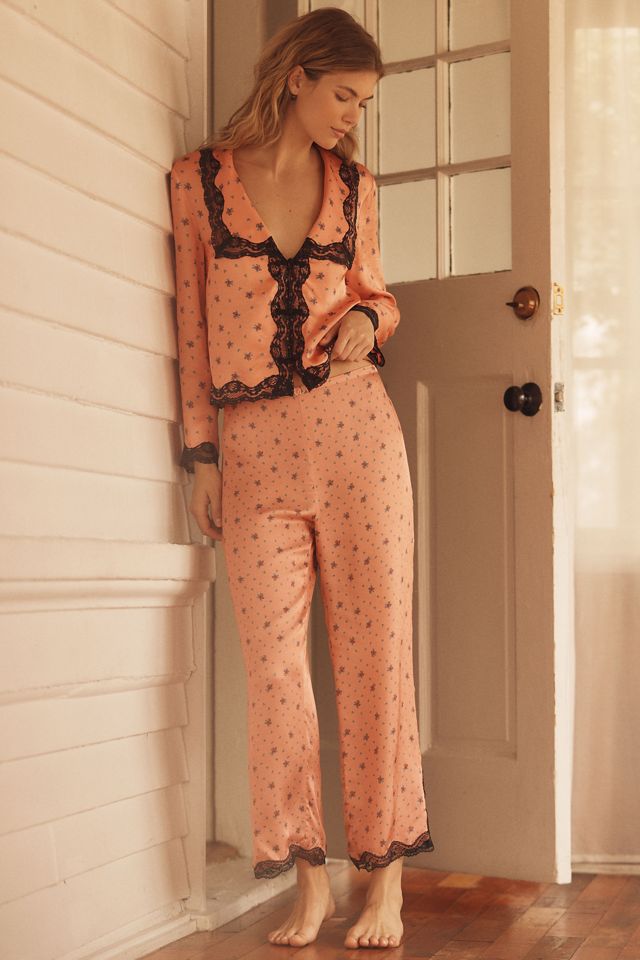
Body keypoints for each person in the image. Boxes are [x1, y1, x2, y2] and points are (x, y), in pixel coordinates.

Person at [169, 6, 435, 950]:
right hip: (255, 455)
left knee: (377, 660)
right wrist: (202, 455)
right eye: (345, 97)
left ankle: (384, 883)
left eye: (364, 103)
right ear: (297, 79)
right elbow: (191, 331)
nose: (353, 117)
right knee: (276, 673)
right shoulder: (198, 183)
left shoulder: (354, 187)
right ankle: (309, 882)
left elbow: (379, 295)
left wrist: (370, 318)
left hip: (359, 435)